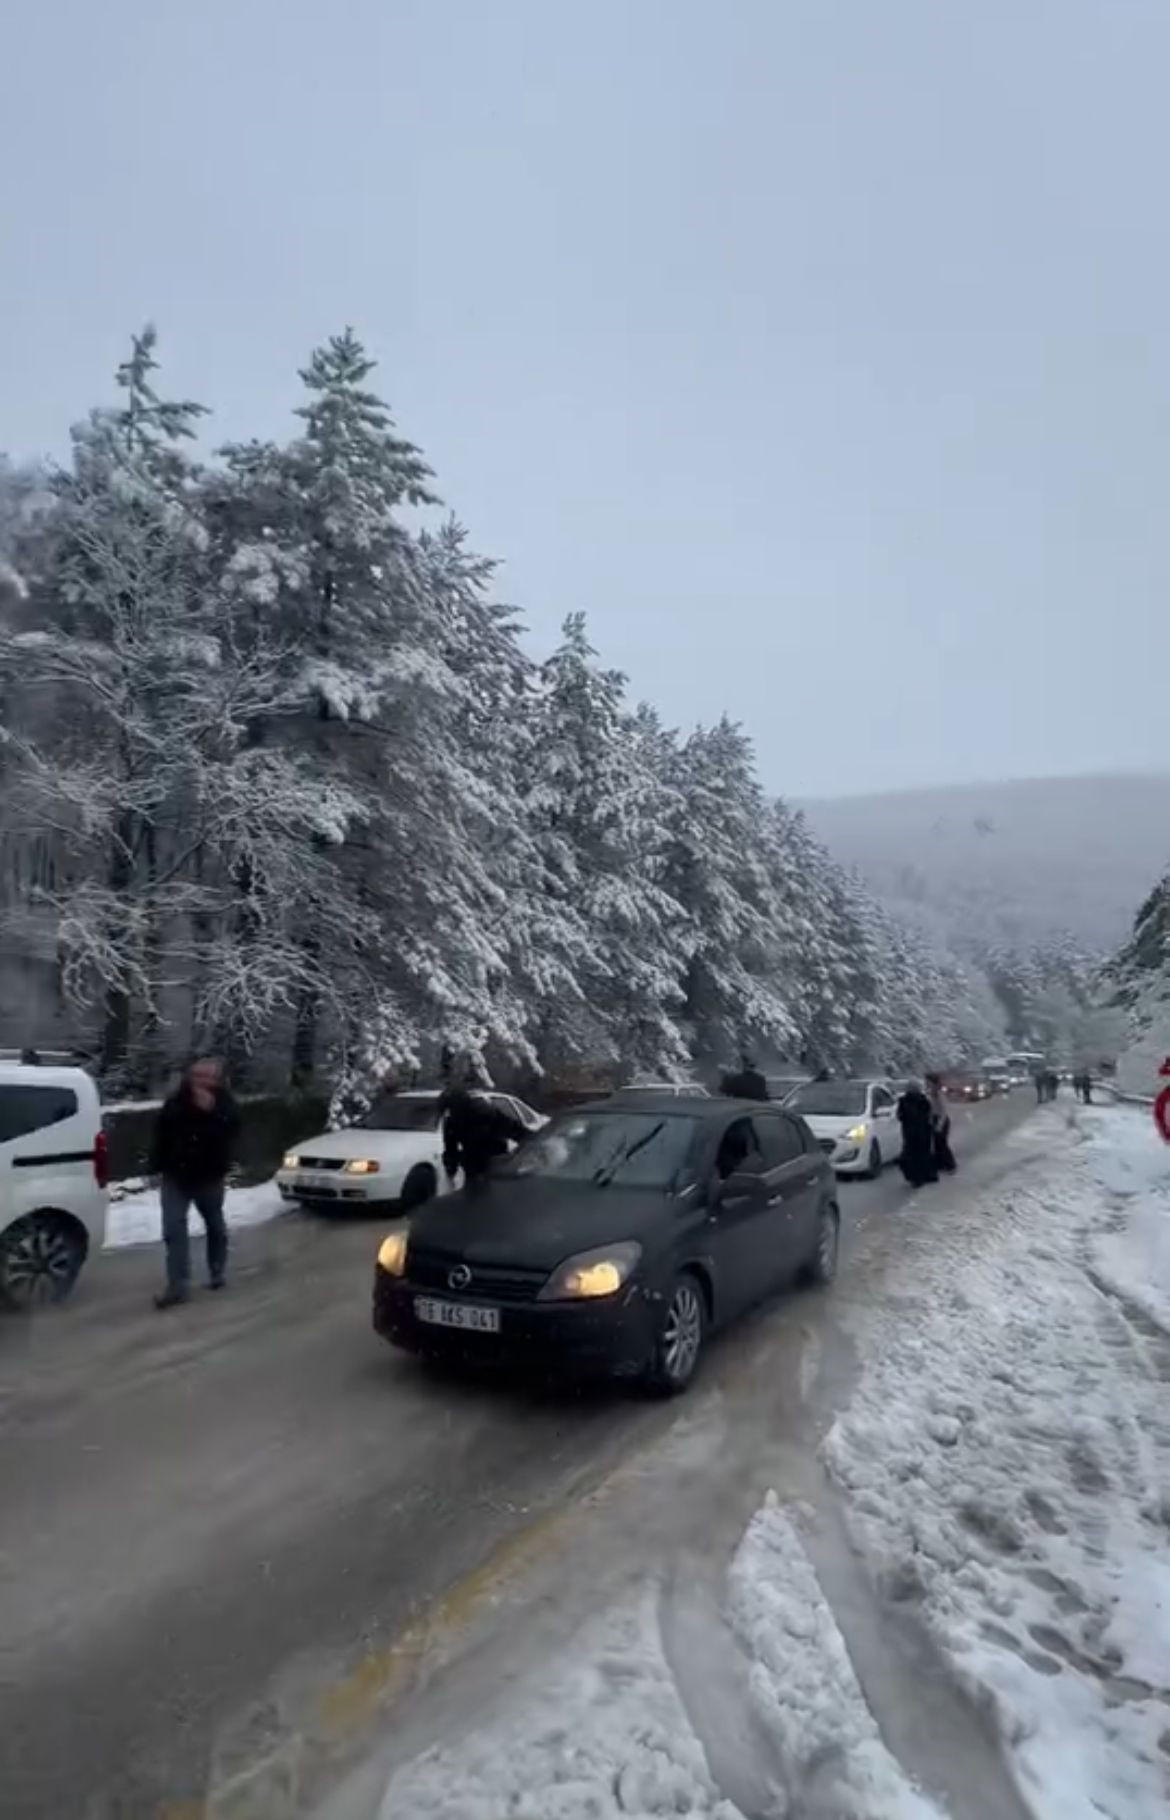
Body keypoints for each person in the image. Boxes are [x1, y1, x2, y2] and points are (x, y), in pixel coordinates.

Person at [151, 1057, 240, 1309]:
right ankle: (178, 1286)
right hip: (176, 1176)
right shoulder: (176, 1101)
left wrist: (213, 1113)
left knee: (215, 1225)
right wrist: (155, 1166)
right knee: (173, 1229)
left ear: (216, 1079)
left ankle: (216, 1272)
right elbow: (161, 1134)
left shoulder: (224, 1103)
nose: (200, 1082)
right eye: (196, 1076)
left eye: (207, 1077)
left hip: (209, 1176)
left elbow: (233, 1131)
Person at [441, 1084, 527, 1188]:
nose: (450, 1112)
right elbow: (450, 1149)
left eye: (450, 1109)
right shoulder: (452, 1121)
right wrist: (451, 1168)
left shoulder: (482, 1111)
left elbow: (511, 1127)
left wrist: (526, 1140)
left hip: (493, 1160)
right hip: (479, 1163)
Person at [897, 1080, 938, 1187]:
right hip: (923, 1131)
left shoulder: (903, 1101)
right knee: (923, 1154)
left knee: (912, 1155)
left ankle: (915, 1177)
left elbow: (900, 1116)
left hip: (909, 1132)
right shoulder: (923, 1100)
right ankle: (926, 1175)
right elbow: (929, 1114)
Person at [925, 1071, 956, 1174]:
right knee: (937, 1143)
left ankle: (950, 1165)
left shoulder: (939, 1093)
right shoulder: (931, 1093)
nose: (926, 1084)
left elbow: (943, 1110)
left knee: (942, 1143)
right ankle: (940, 1164)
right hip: (935, 1118)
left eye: (928, 1082)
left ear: (933, 1082)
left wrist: (939, 1124)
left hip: (941, 1119)